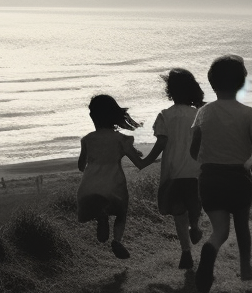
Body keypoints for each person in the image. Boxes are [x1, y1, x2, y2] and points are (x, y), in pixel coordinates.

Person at [189, 54, 252, 293]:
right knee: (242, 226)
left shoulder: (204, 112)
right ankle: (246, 268)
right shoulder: (248, 113)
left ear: (212, 83)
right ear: (242, 82)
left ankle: (210, 248)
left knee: (220, 231)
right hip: (238, 177)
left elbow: (194, 149)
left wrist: (206, 158)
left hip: (210, 177)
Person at [141, 68, 207, 269]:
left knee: (179, 212)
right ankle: (195, 226)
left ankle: (185, 251)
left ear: (170, 91)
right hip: (197, 171)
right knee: (194, 207)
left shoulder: (165, 115)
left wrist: (144, 162)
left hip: (173, 173)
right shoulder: (200, 114)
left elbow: (161, 144)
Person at [77, 94, 150, 259]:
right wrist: (156, 157)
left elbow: (81, 167)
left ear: (93, 116)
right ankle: (117, 240)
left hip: (88, 187)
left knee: (98, 206)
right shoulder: (121, 139)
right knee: (121, 213)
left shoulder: (87, 140)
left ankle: (100, 216)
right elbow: (138, 162)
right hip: (113, 186)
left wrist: (93, 165)